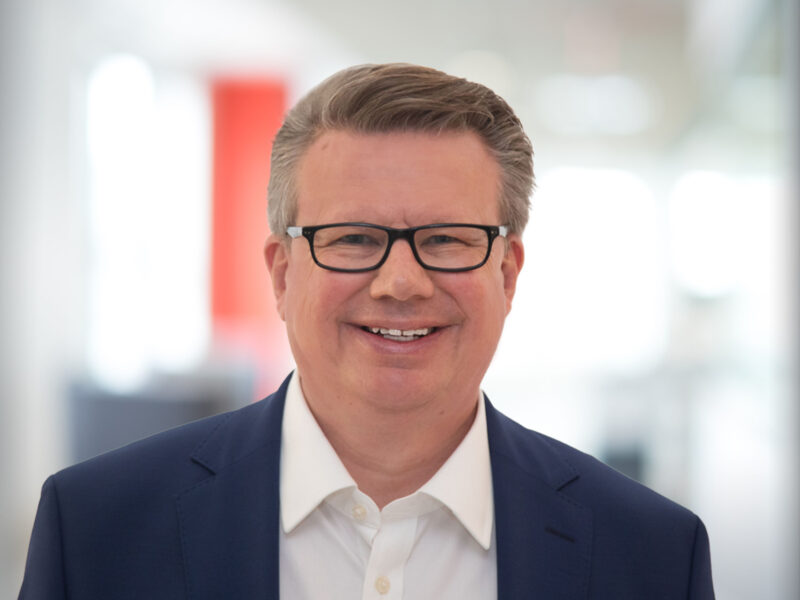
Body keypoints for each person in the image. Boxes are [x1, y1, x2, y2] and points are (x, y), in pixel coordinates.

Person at [19, 63, 714, 599]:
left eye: (445, 238)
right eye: (353, 238)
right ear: (282, 274)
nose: (401, 283)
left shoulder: (652, 554)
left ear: (507, 274)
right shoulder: (94, 530)